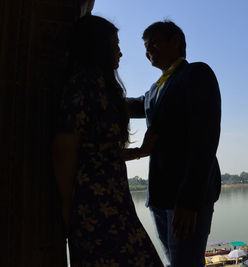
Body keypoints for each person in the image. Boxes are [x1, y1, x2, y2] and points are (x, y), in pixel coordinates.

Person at [52, 15, 163, 266]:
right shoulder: (83, 85)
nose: (121, 53)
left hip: (113, 199)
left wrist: (140, 152)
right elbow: (65, 150)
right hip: (94, 204)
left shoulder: (101, 86)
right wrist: (68, 207)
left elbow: (102, 150)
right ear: (98, 47)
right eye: (115, 45)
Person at [127, 20, 221, 267]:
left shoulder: (196, 74)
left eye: (154, 44)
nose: (149, 52)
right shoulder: (155, 89)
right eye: (146, 48)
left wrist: (189, 201)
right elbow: (134, 104)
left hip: (187, 196)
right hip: (159, 195)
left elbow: (205, 140)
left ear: (175, 42)